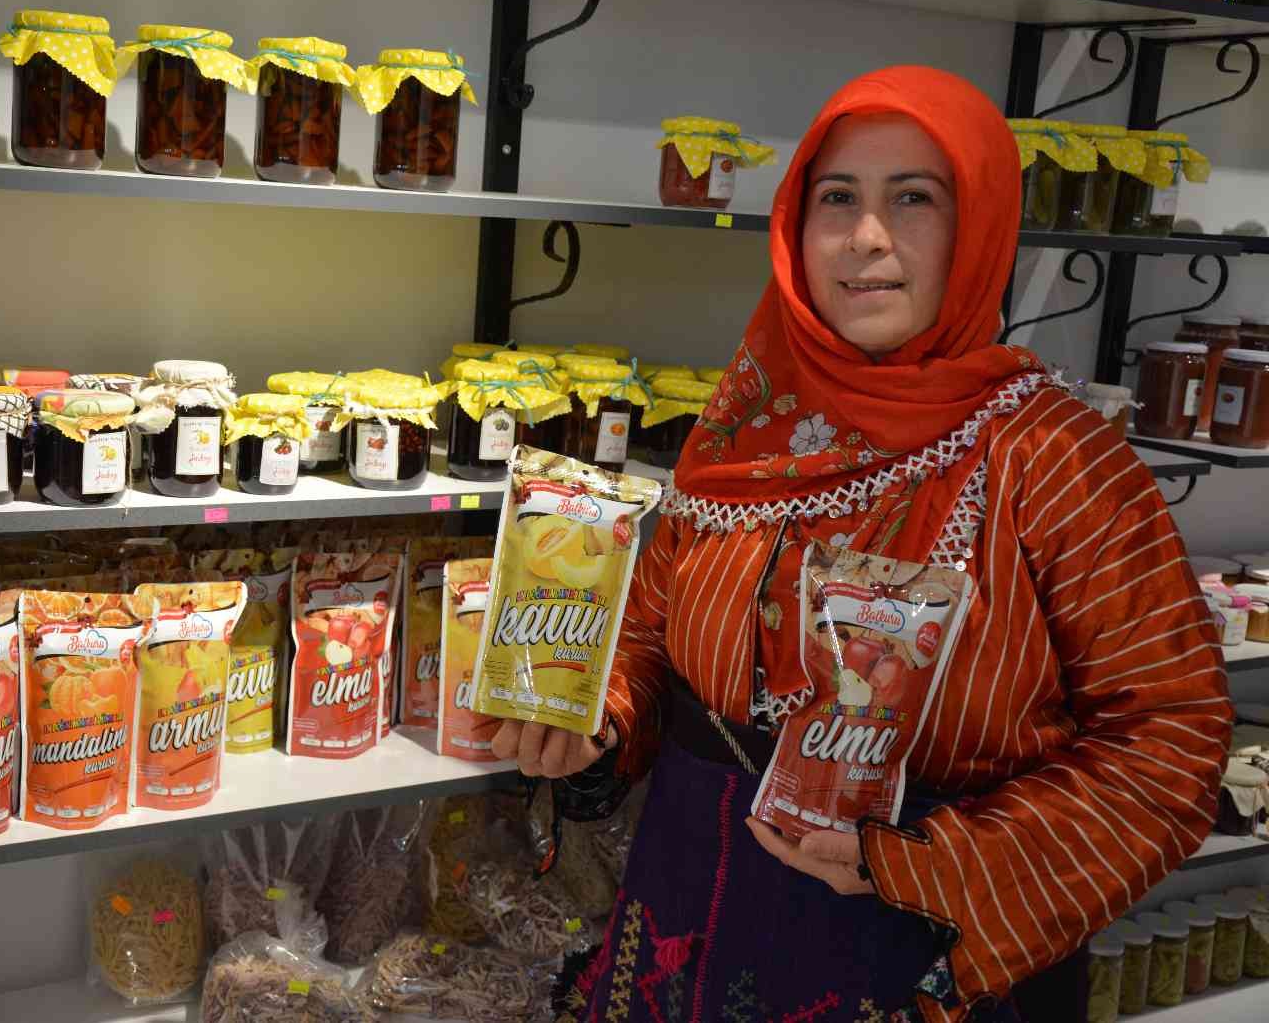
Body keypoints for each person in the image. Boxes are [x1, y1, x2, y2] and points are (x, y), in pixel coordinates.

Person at [493, 66, 1231, 1023]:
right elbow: (648, 628)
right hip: (688, 922)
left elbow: (1170, 744)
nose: (866, 237)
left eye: (913, 198)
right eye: (836, 198)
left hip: (918, 945)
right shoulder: (748, 421)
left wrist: (939, 865)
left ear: (978, 230)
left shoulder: (1055, 458)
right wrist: (596, 719)